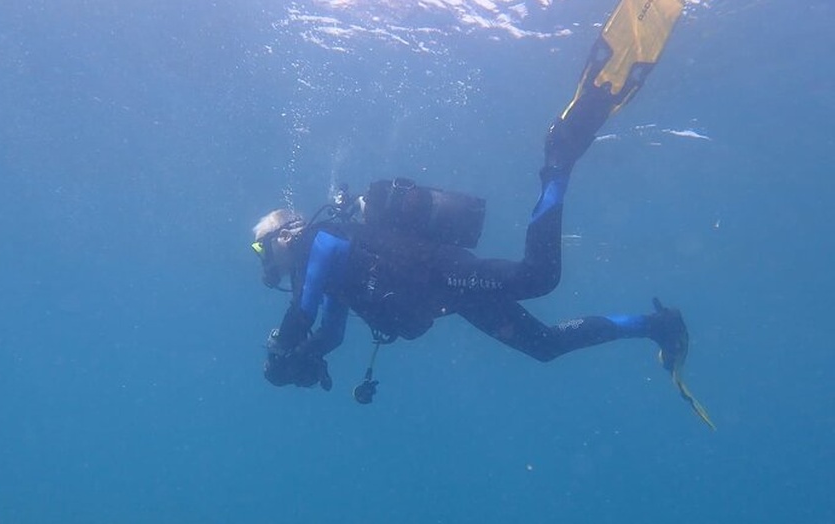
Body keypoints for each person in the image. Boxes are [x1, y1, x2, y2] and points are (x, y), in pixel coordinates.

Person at [251, 0, 714, 428]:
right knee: (545, 346)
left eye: (261, 249)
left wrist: (280, 350)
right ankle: (658, 325)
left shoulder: (321, 240)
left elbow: (303, 310)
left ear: (282, 235)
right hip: (451, 296)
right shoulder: (327, 273)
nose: (265, 264)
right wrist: (306, 357)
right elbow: (328, 330)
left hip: (443, 273)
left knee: (539, 277)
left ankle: (558, 161)